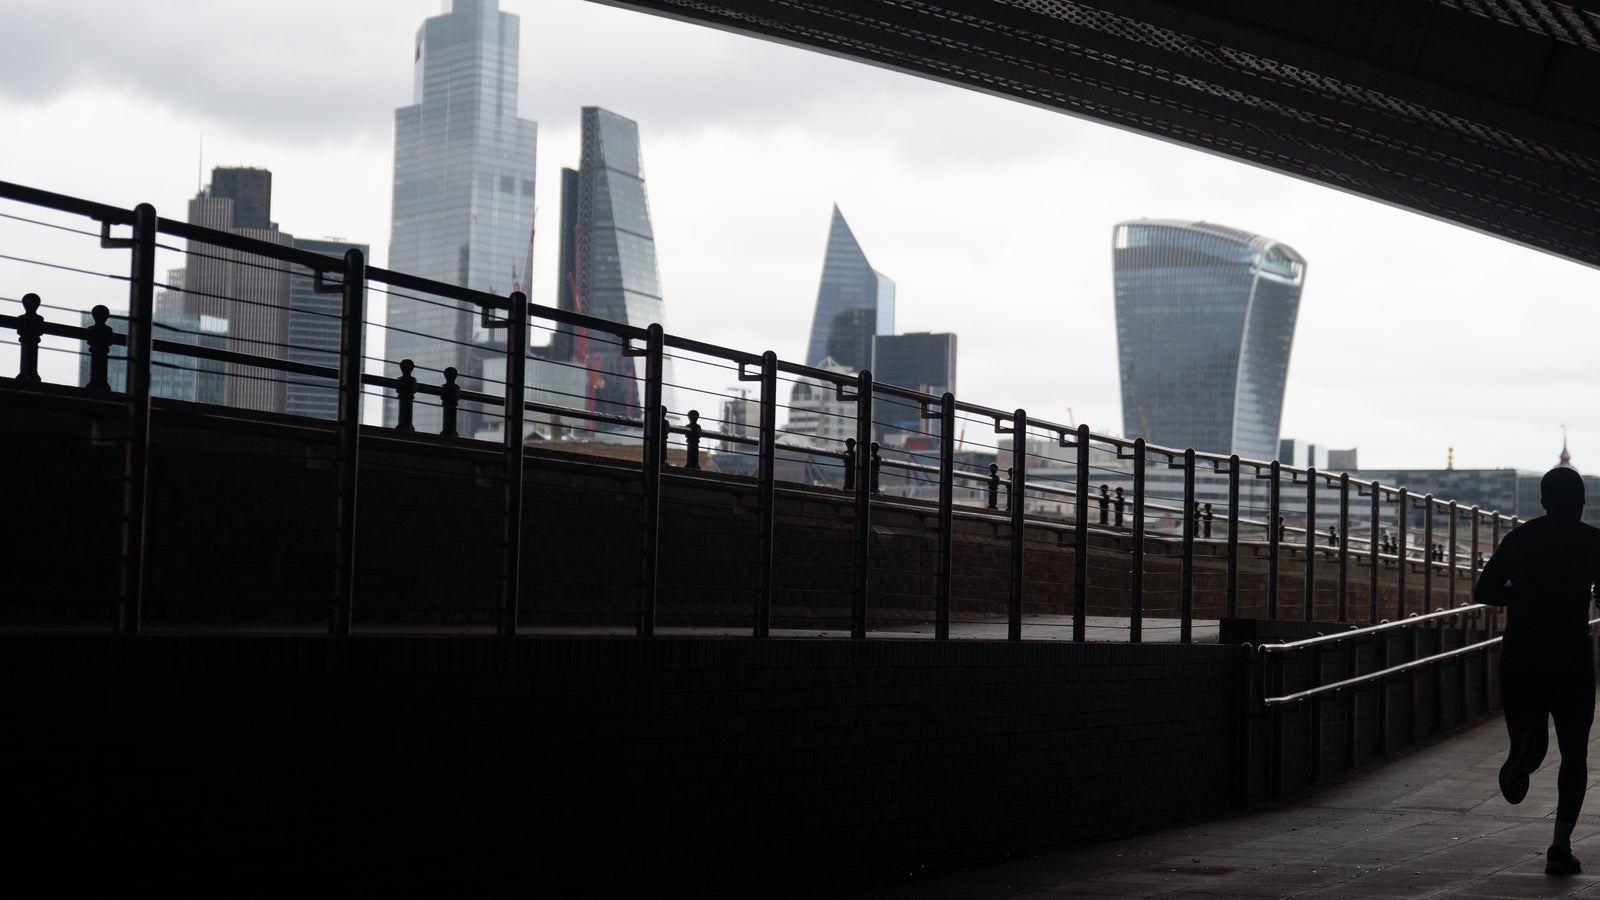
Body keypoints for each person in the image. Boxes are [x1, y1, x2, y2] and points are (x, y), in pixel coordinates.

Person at [1474, 465, 1600, 876]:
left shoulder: (1520, 538)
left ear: (1542, 502)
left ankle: (1523, 758)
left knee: (1532, 736)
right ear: (1581, 503)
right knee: (1574, 754)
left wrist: (1526, 594)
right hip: (1570, 656)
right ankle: (1560, 847)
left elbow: (1484, 590)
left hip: (1522, 654)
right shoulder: (1591, 542)